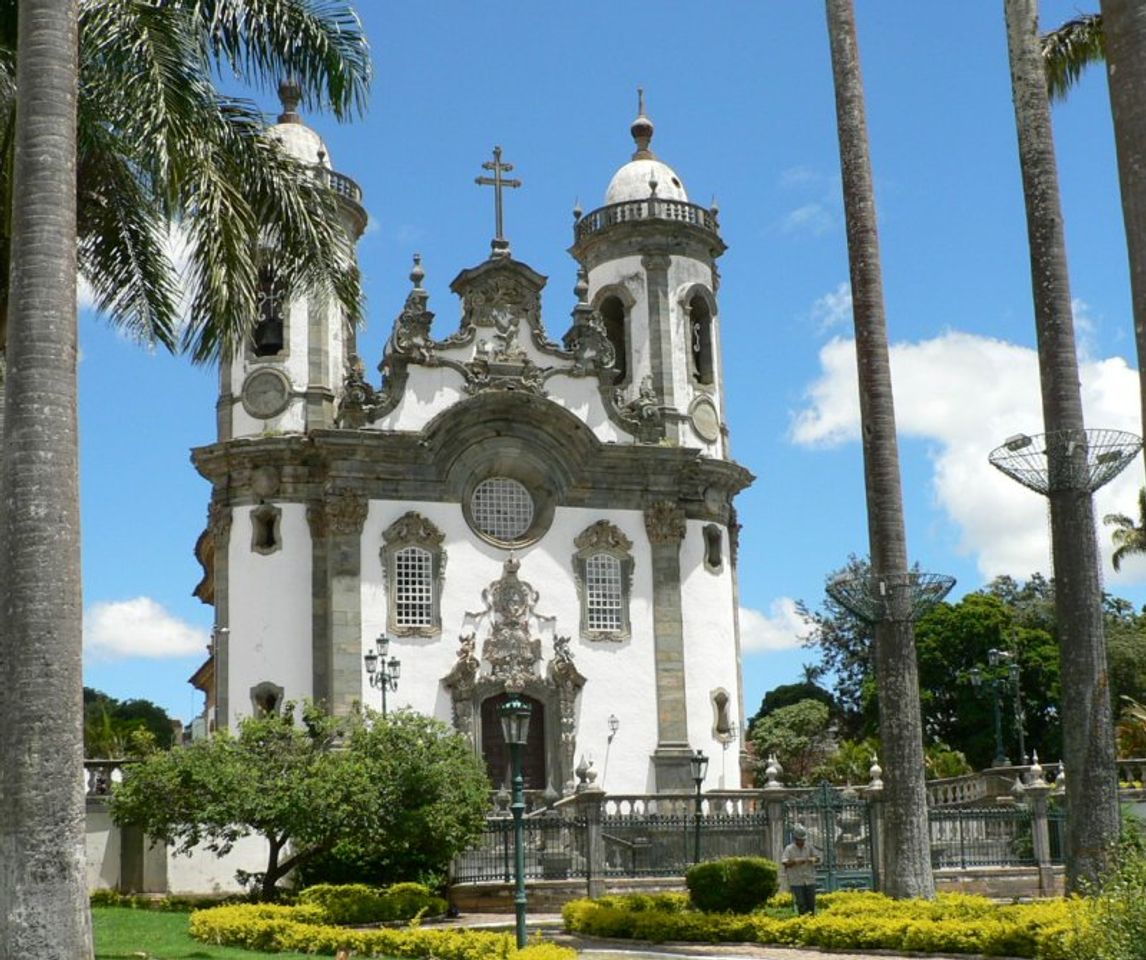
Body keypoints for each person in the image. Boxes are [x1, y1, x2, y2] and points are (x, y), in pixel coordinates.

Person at [781, 824, 819, 915]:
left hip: (809, 879)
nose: (802, 842)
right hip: (796, 880)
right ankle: (802, 919)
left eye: (803, 840)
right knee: (801, 903)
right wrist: (794, 861)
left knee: (811, 902)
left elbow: (817, 858)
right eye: (799, 840)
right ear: (795, 839)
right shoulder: (789, 849)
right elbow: (784, 862)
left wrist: (813, 859)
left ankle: (812, 920)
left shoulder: (809, 846)